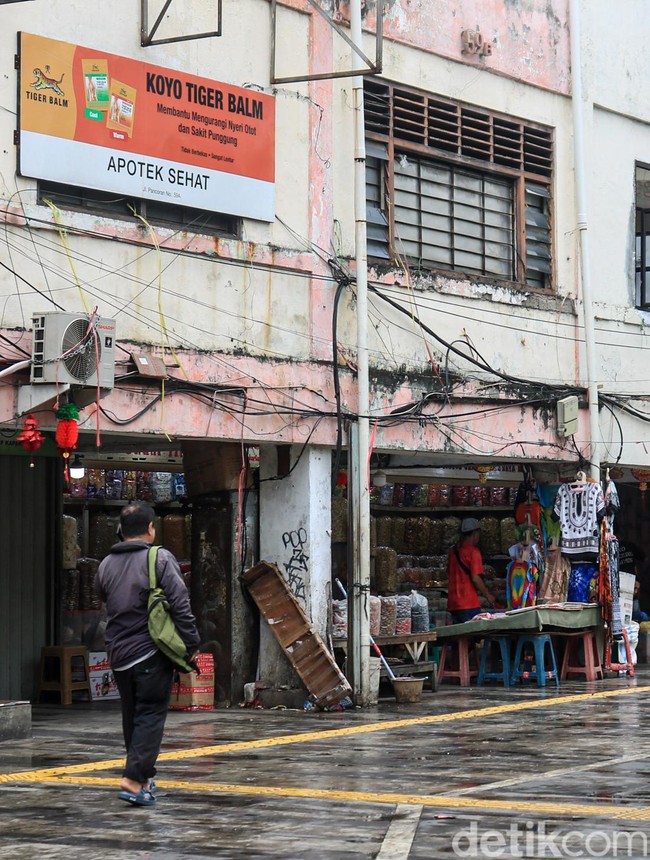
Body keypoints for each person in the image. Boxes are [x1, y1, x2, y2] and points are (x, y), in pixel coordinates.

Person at [96, 501, 200, 807]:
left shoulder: (104, 565)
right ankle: (132, 779)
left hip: (118, 654)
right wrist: (191, 644)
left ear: (120, 531)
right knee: (150, 714)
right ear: (151, 529)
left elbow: (105, 598)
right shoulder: (159, 558)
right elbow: (180, 604)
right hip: (150, 652)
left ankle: (142, 779)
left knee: (134, 716)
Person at [446, 517, 496, 624]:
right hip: (468, 603)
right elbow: (475, 578)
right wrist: (488, 596)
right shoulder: (474, 552)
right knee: (469, 636)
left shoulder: (452, 551)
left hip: (453, 603)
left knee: (459, 636)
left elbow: (449, 573)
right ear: (475, 533)